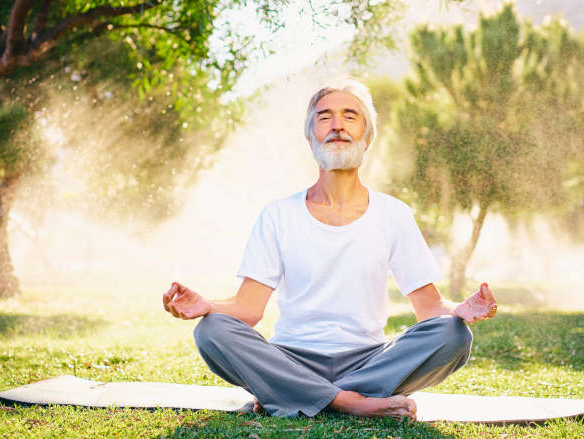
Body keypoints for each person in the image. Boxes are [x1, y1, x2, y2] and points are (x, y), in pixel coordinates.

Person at [162, 78, 497, 421]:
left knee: (454, 335)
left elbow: (428, 308)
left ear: (368, 138)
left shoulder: (393, 214)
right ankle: (354, 403)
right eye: (324, 117)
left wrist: (461, 310)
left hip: (369, 360)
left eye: (350, 116)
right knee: (211, 331)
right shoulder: (278, 215)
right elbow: (248, 310)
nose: (337, 125)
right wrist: (208, 306)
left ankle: (290, 393)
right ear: (310, 139)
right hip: (291, 358)